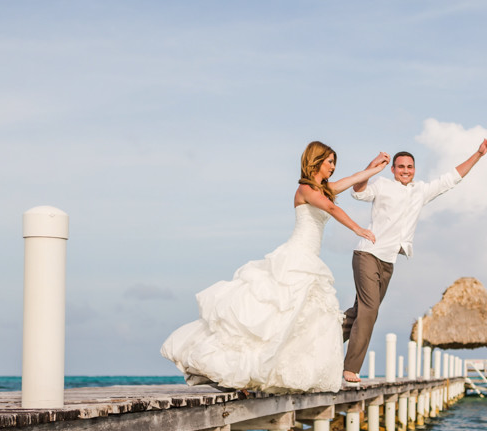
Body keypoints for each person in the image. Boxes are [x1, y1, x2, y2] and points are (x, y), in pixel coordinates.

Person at [161, 142, 388, 392]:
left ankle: (277, 371)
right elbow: (331, 208)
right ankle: (238, 368)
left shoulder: (325, 189)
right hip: (296, 255)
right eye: (329, 162)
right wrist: (358, 229)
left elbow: (353, 179)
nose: (333, 167)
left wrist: (374, 167)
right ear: (316, 161)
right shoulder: (305, 189)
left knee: (298, 320)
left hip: (309, 258)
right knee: (277, 315)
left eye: (335, 162)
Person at [341, 137, 487, 383]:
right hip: (367, 254)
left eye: (409, 167)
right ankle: (350, 368)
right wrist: (371, 167)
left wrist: (479, 154)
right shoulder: (382, 184)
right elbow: (358, 192)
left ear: (414, 170)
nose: (405, 171)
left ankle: (322, 343)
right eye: (400, 167)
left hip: (388, 260)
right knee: (370, 311)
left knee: (360, 312)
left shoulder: (420, 191)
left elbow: (452, 178)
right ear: (393, 170)